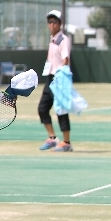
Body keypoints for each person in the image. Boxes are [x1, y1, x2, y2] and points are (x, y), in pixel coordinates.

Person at [38, 9, 73, 152]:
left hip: (60, 78)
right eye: (50, 22)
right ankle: (52, 138)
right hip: (50, 77)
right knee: (42, 108)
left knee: (61, 110)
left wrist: (61, 73)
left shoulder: (63, 40)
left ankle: (66, 142)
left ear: (60, 24)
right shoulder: (52, 40)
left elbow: (65, 59)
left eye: (55, 22)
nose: (52, 25)